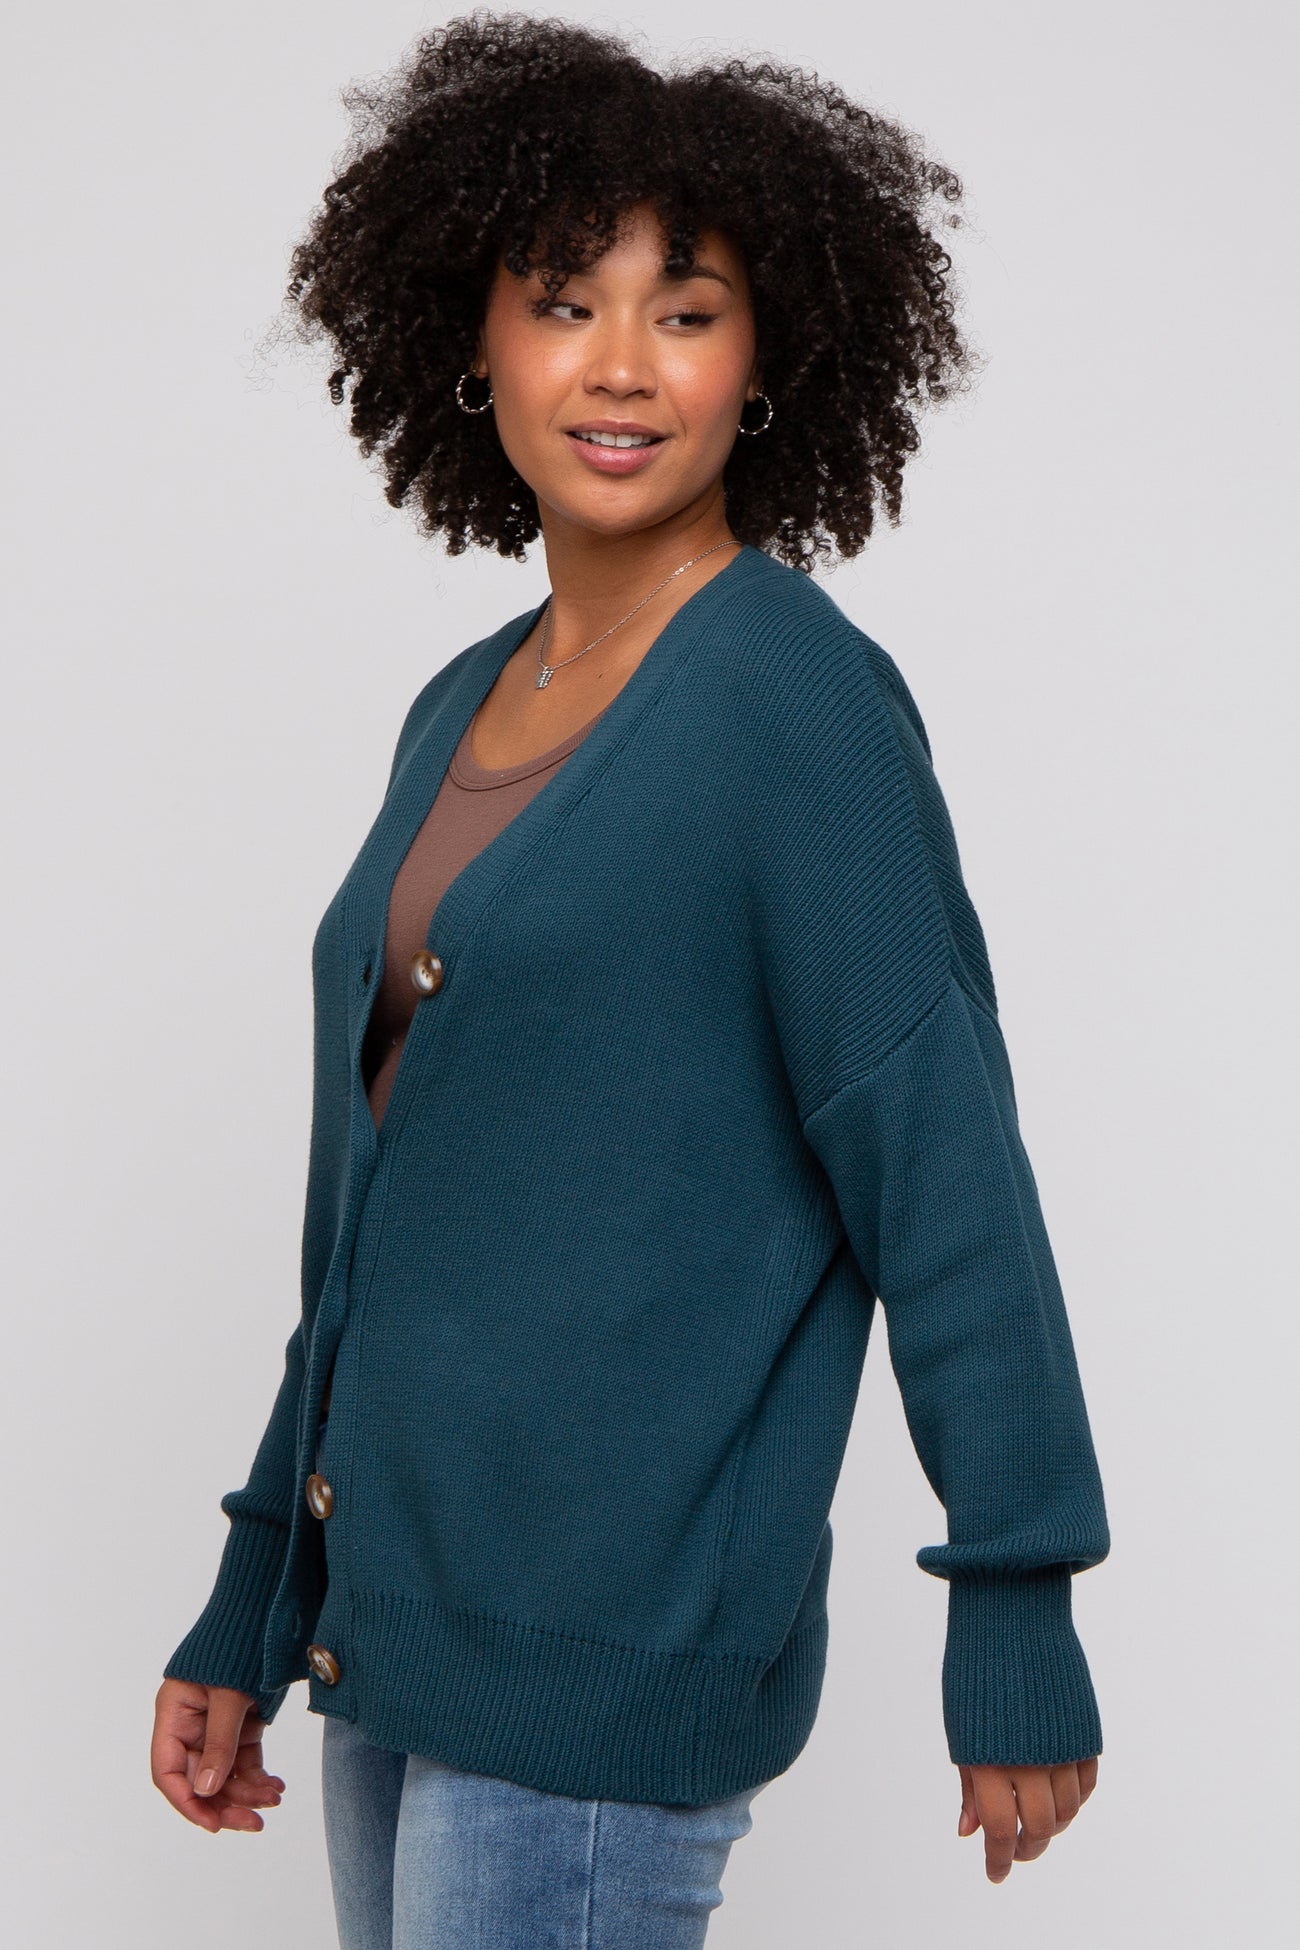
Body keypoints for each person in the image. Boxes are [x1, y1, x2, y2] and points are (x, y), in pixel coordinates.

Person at [151, 13, 1109, 1944]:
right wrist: (256, 1592)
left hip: (604, 1660)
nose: (617, 365)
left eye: (686, 312)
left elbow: (943, 1165)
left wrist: (1017, 1593)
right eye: (561, 302)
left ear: (765, 363)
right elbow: (374, 1227)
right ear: (475, 342)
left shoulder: (792, 703)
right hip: (395, 1639)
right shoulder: (458, 706)